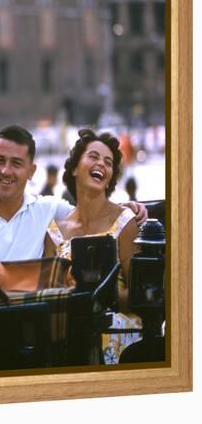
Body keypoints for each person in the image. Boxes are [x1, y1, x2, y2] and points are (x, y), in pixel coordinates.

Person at [0, 125, 147, 262]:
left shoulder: (48, 209)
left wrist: (126, 208)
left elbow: (91, 212)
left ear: (31, 171)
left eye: (16, 163)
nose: (6, 171)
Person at [55, 128, 142, 363]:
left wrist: (102, 298)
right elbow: (48, 294)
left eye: (108, 162)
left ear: (110, 178)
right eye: (93, 157)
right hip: (70, 333)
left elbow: (140, 293)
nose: (101, 164)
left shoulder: (125, 222)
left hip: (118, 332)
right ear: (74, 168)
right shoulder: (54, 232)